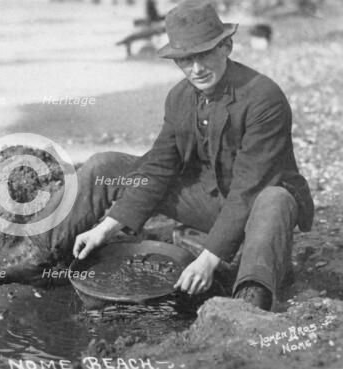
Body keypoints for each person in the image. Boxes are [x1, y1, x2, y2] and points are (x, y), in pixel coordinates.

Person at [28, 0, 314, 311]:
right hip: (207, 203)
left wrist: (208, 259)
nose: (197, 68)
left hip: (259, 215)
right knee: (104, 165)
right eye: (185, 59)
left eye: (204, 54)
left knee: (275, 198)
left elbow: (249, 188)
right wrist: (107, 226)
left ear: (226, 47)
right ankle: (45, 253)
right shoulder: (179, 97)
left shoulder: (263, 97)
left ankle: (250, 299)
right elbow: (159, 167)